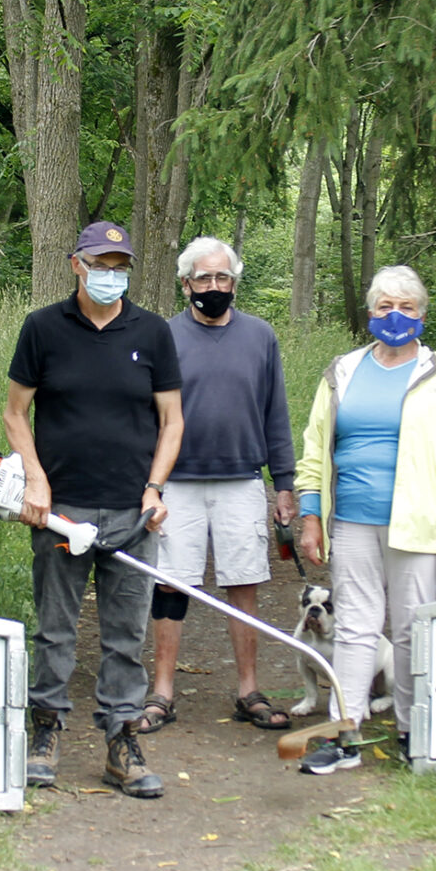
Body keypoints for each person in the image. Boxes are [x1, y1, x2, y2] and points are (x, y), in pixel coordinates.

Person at [4, 223, 183, 798]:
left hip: (132, 512)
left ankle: (122, 741)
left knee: (125, 633)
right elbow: (15, 413)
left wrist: (155, 488)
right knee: (55, 629)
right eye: (101, 263)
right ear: (76, 264)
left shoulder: (152, 332)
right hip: (60, 509)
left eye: (120, 263)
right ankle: (45, 733)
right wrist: (35, 478)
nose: (111, 273)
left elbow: (172, 421)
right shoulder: (43, 328)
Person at [294, 265, 436, 771]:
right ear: (370, 313)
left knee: (410, 630)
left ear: (421, 315)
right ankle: (344, 732)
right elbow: (315, 447)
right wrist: (311, 516)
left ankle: (410, 732)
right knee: (354, 628)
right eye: (384, 307)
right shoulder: (343, 372)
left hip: (419, 526)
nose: (395, 316)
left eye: (406, 307)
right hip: (352, 521)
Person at [141, 237, 300, 733]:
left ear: (234, 282)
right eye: (204, 278)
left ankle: (248, 689)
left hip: (242, 480)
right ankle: (162, 691)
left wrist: (285, 483)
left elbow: (276, 411)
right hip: (178, 484)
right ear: (186, 283)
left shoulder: (260, 337)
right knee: (171, 585)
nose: (214, 287)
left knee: (243, 583)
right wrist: (149, 484)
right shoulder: (162, 337)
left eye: (223, 278)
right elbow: (148, 417)